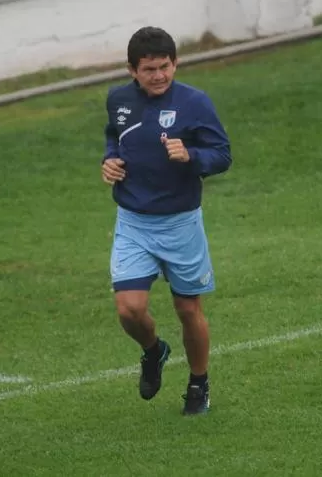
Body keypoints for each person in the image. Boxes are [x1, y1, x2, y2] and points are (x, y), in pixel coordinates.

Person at [101, 26, 232, 415]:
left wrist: (191, 156)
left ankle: (198, 383)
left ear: (175, 64)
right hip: (134, 222)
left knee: (188, 310)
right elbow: (115, 136)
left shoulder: (195, 102)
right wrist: (109, 161)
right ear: (131, 70)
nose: (158, 76)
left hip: (180, 224)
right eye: (149, 69)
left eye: (164, 67)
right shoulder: (118, 100)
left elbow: (222, 154)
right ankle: (154, 350)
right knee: (129, 308)